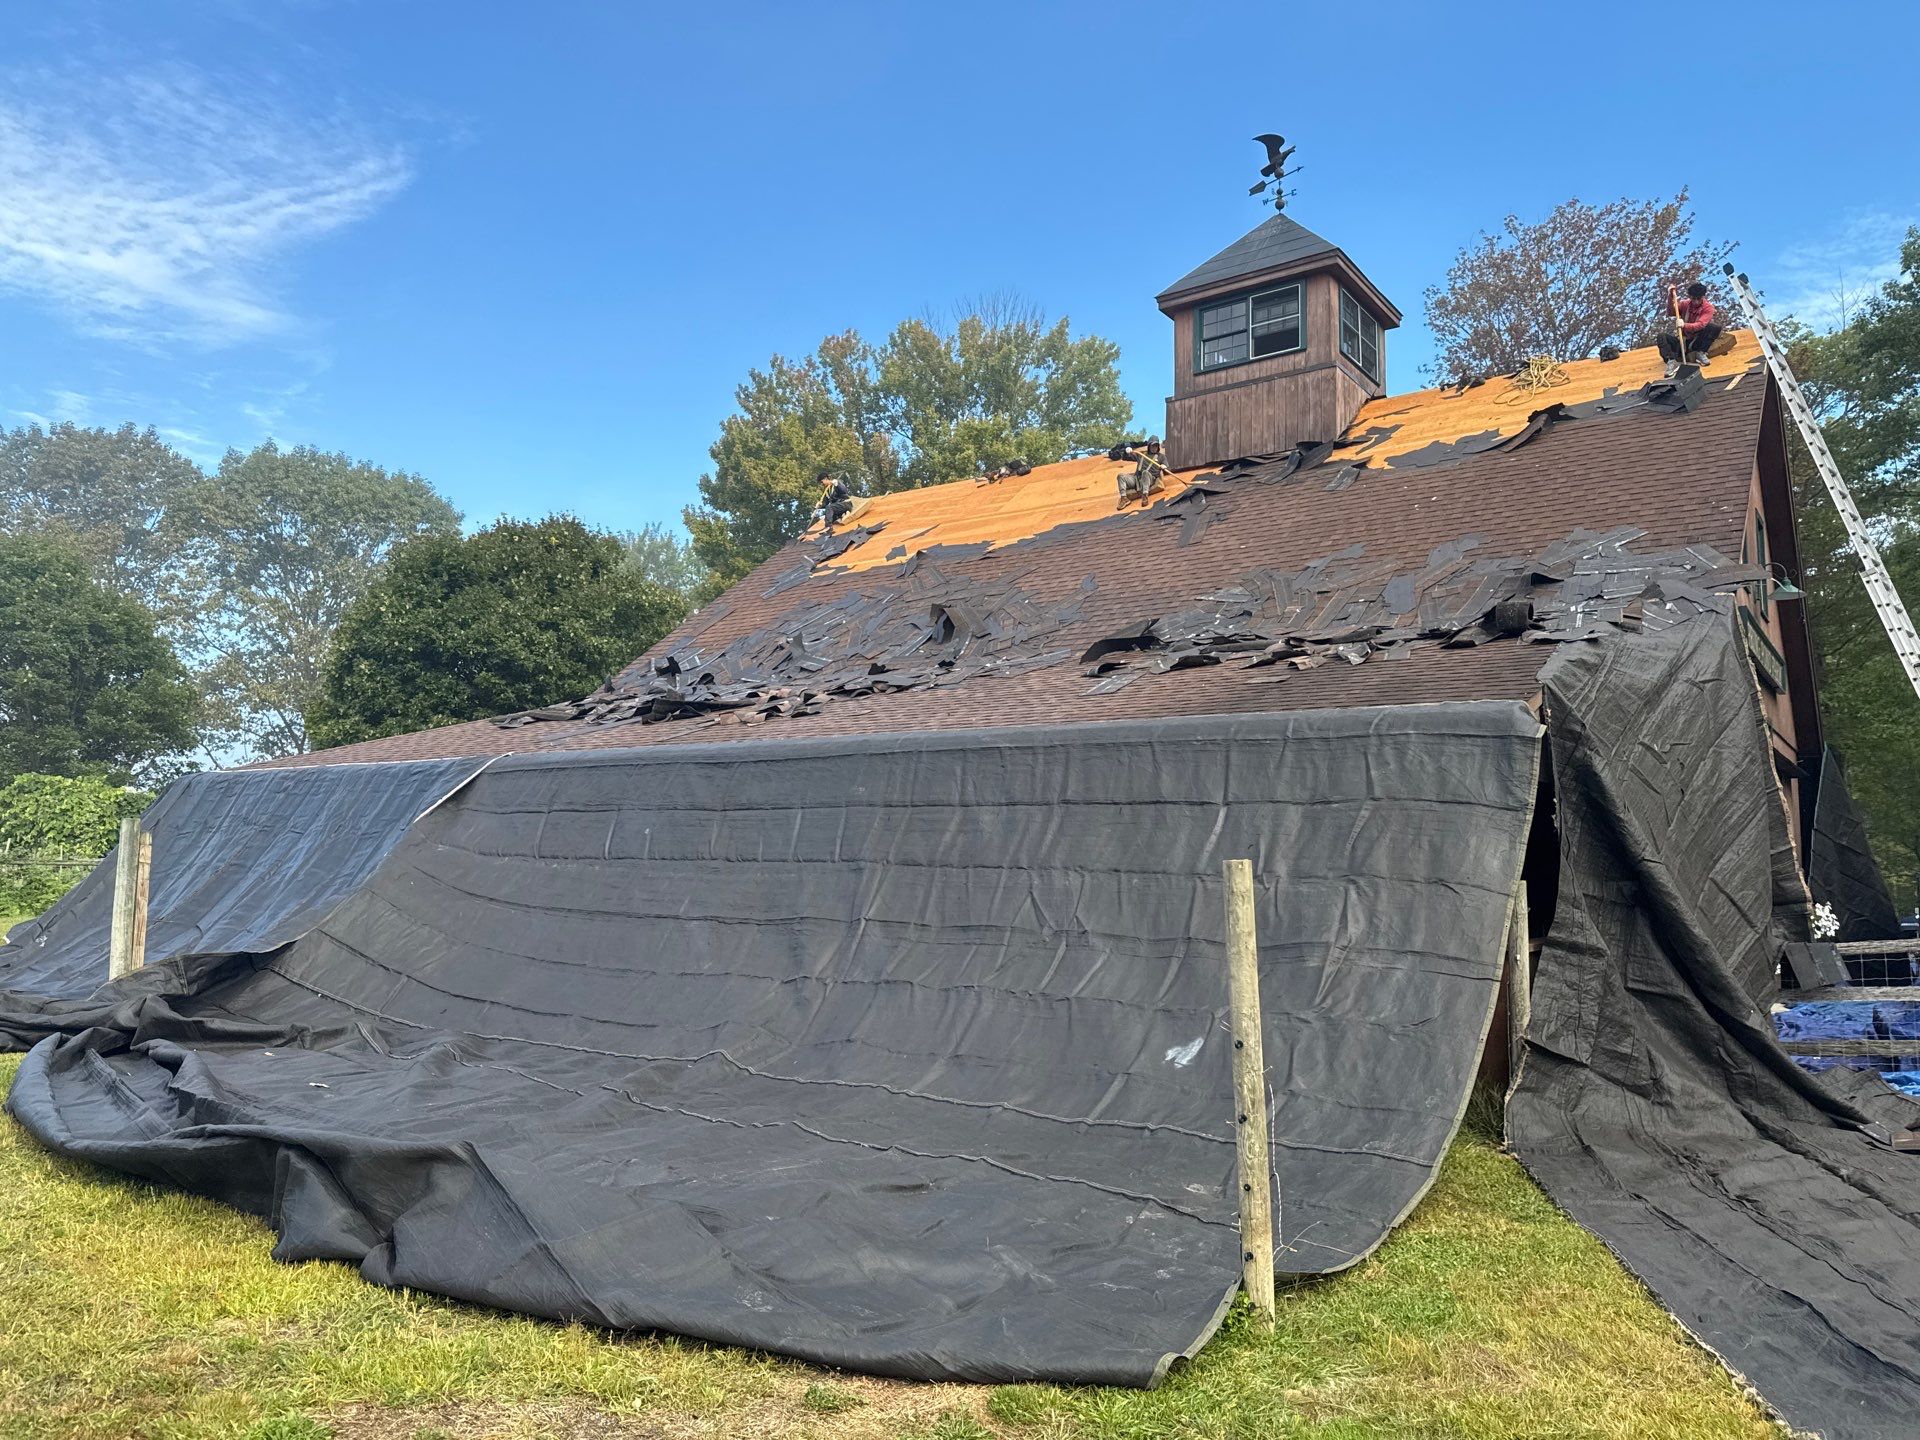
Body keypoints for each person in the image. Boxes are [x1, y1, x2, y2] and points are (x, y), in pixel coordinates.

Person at [1657, 282, 1722, 377]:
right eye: (1693, 298)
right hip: (1683, 342)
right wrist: (1670, 296)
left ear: (1703, 296)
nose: (1695, 301)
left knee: (1714, 328)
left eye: (1698, 299)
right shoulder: (1685, 304)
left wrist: (1684, 325)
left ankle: (1701, 353)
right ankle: (1671, 362)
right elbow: (1671, 312)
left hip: (1697, 341)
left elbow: (1701, 324)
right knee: (1662, 336)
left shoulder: (1708, 308)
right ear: (1690, 297)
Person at [1116, 437, 1170, 508]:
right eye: (1152, 445)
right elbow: (1126, 458)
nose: (1154, 447)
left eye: (1156, 445)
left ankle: (1145, 495)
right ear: (1149, 446)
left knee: (1145, 472)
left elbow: (1167, 470)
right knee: (1121, 476)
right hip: (1136, 479)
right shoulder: (1141, 454)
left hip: (1150, 479)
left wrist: (1164, 467)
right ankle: (1124, 498)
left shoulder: (1161, 457)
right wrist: (1127, 452)